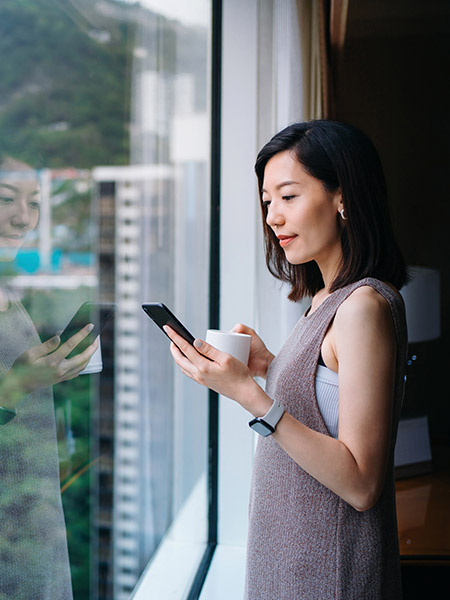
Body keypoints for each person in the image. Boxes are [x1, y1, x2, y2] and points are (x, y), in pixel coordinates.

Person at [165, 120, 408, 599]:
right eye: (267, 202)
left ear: (343, 196)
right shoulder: (325, 299)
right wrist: (269, 366)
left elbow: (361, 483)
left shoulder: (363, 306)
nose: (273, 217)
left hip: (328, 575)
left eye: (289, 196)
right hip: (293, 562)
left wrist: (249, 396)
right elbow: (331, 403)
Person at [0, 158, 98, 599]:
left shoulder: (8, 291)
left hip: (32, 516)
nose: (23, 217)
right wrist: (16, 385)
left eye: (34, 203)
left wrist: (50, 371)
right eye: (6, 199)